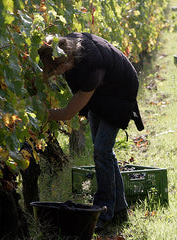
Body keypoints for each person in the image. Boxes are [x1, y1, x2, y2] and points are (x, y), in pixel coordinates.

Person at [38, 32, 144, 232]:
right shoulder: (67, 45)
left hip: (121, 92)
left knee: (102, 151)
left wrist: (38, 115)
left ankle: (103, 210)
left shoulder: (90, 68)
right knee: (103, 151)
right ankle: (119, 209)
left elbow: (68, 113)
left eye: (57, 69)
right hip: (102, 91)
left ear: (65, 61)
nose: (57, 73)